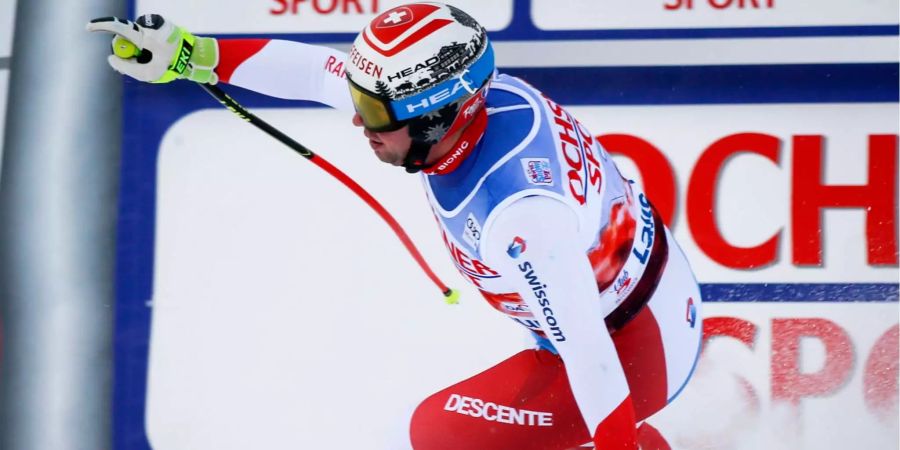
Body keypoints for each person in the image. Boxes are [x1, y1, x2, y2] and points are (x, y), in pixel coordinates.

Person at [88, 4, 703, 449]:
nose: (359, 123)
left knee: (439, 435)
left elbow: (589, 353)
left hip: (632, 348)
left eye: (375, 112)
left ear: (439, 118)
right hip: (638, 299)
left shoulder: (521, 213)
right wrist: (193, 55)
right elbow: (312, 75)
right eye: (360, 101)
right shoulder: (467, 109)